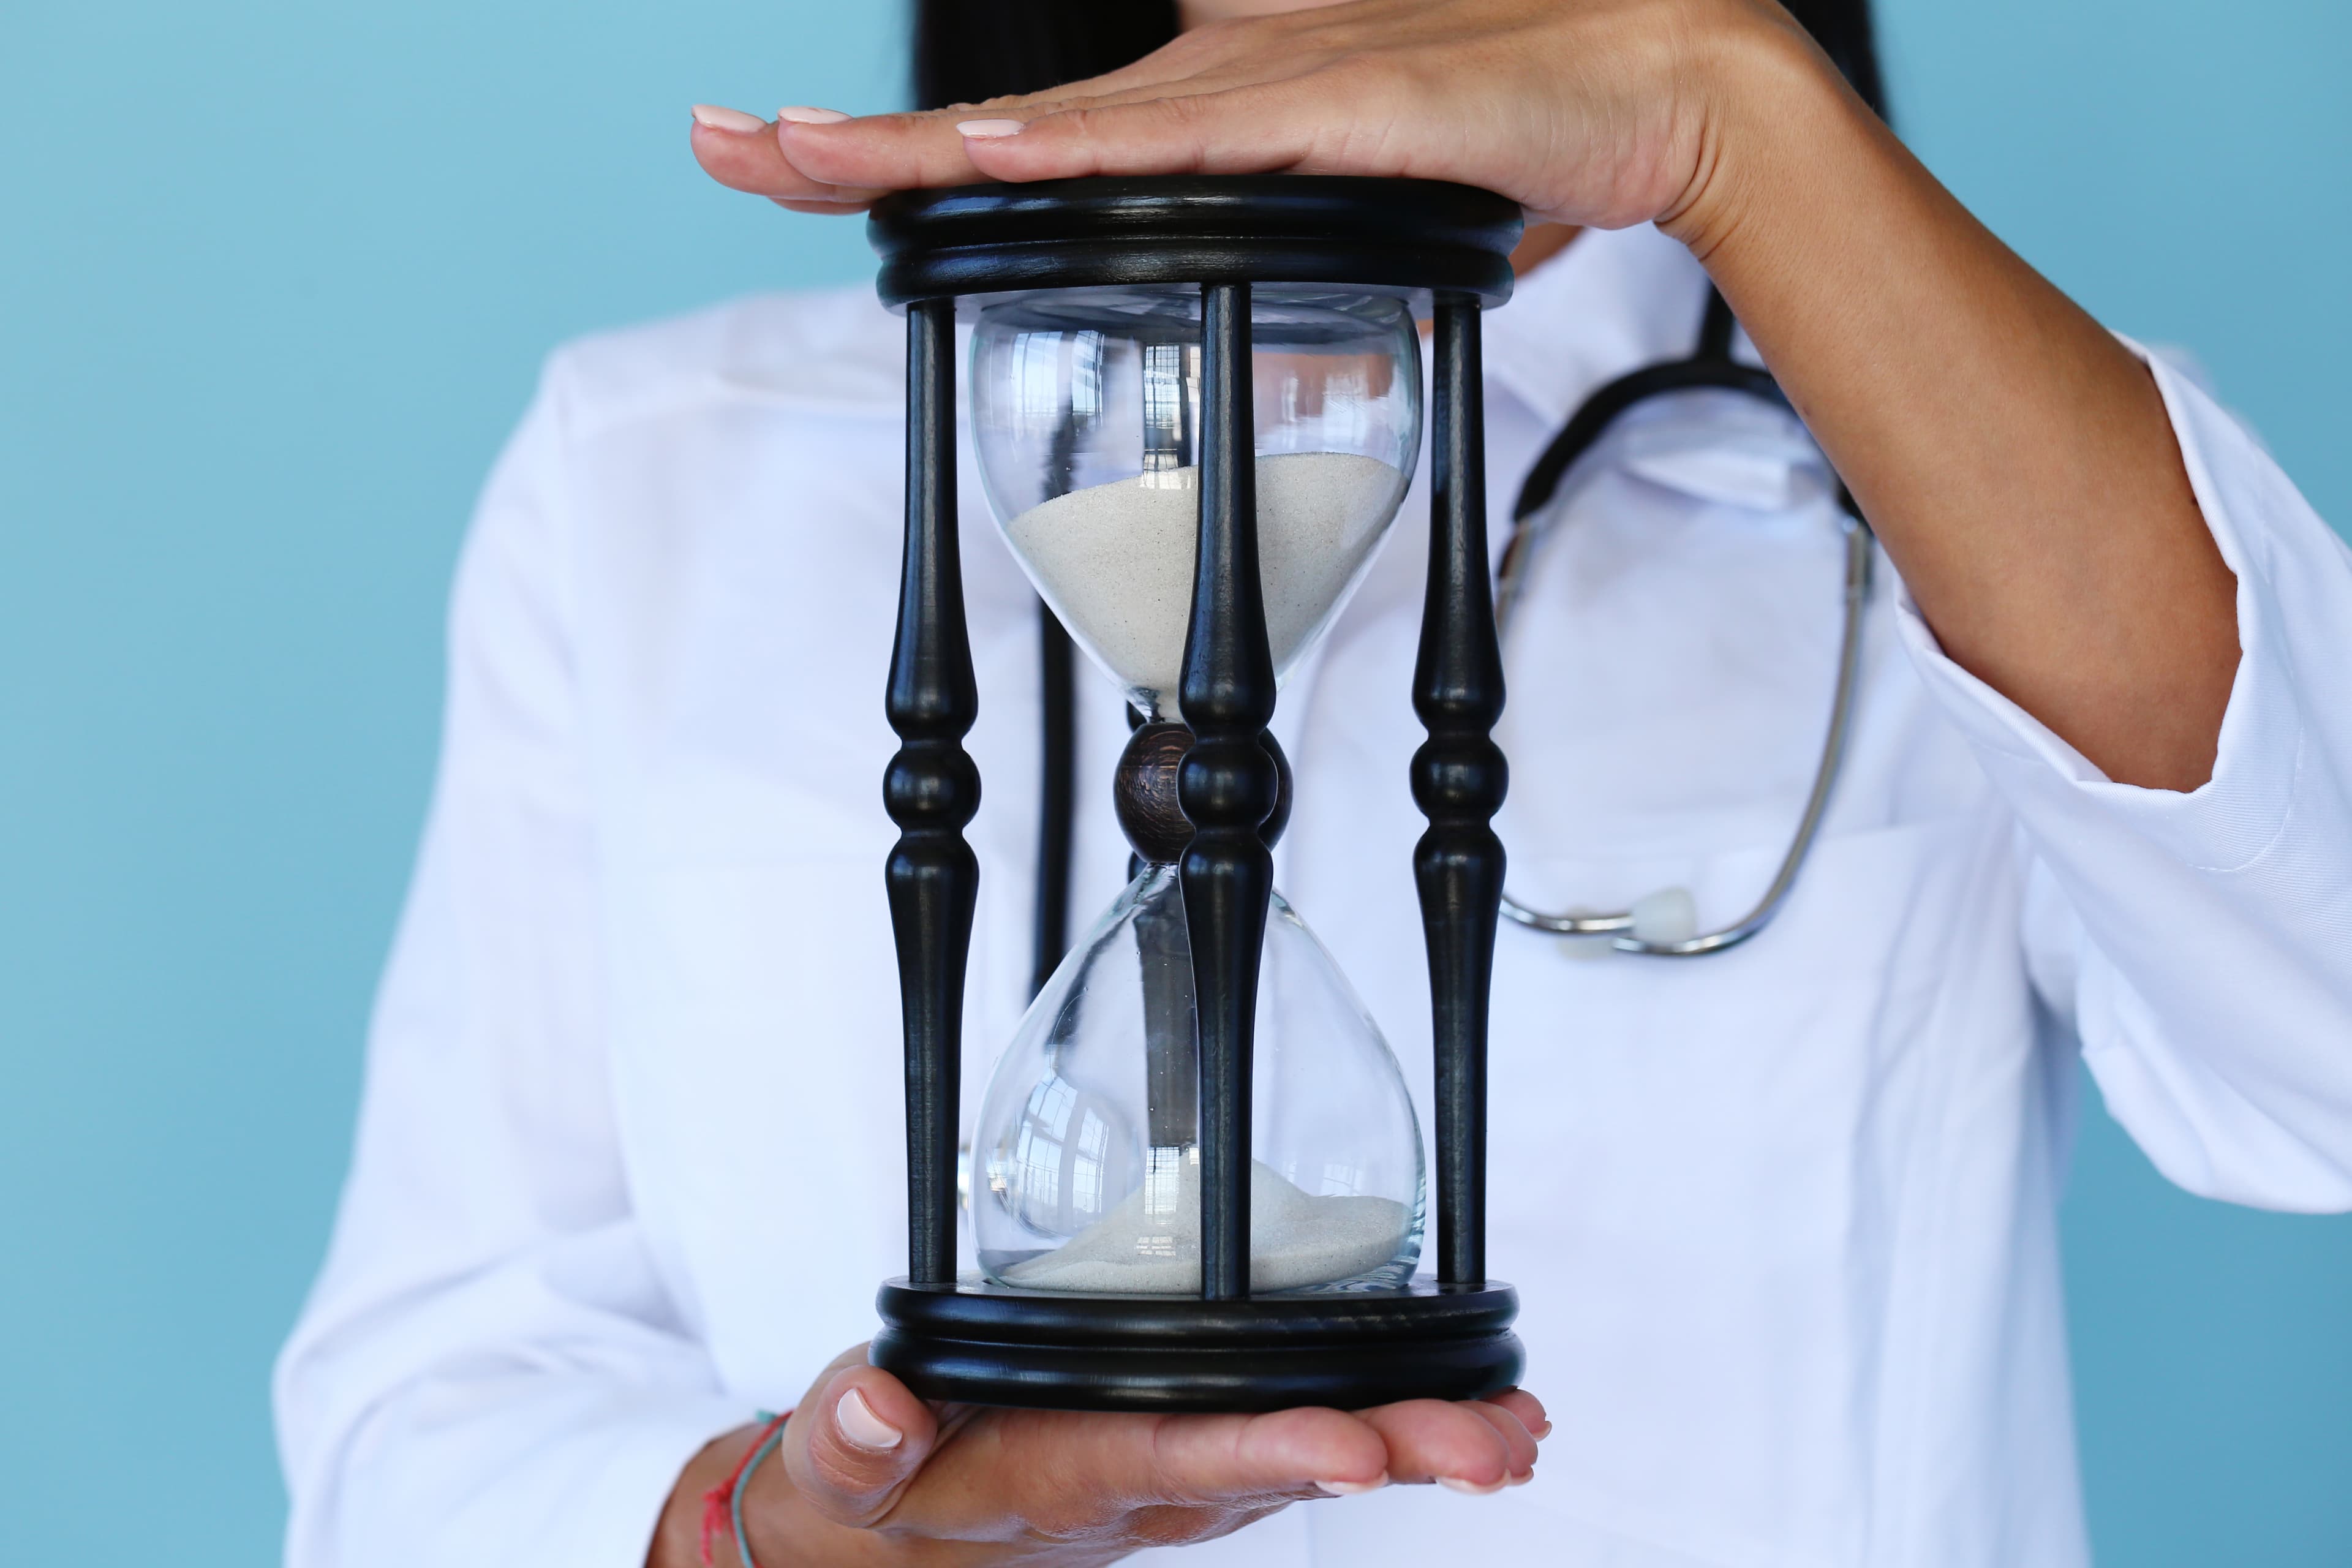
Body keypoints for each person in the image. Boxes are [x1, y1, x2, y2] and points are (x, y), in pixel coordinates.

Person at [274, 0, 2352, 1564]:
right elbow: (428, 1416)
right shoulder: (672, 464)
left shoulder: (1927, 471)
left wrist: (1731, 119)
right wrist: (770, 1535)